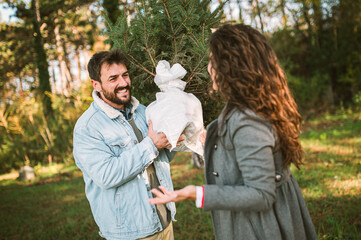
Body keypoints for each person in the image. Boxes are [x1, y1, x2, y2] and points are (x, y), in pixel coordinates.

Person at [148, 24, 319, 240]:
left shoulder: (248, 120)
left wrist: (196, 193)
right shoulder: (255, 104)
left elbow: (261, 194)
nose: (208, 67)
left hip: (263, 227)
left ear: (228, 66)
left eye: (212, 60)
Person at [73, 49, 181, 240]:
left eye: (125, 75)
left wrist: (176, 137)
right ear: (96, 84)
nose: (123, 83)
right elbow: (106, 175)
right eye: (113, 78)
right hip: (130, 233)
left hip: (165, 221)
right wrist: (151, 145)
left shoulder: (143, 112)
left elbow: (162, 157)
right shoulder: (87, 128)